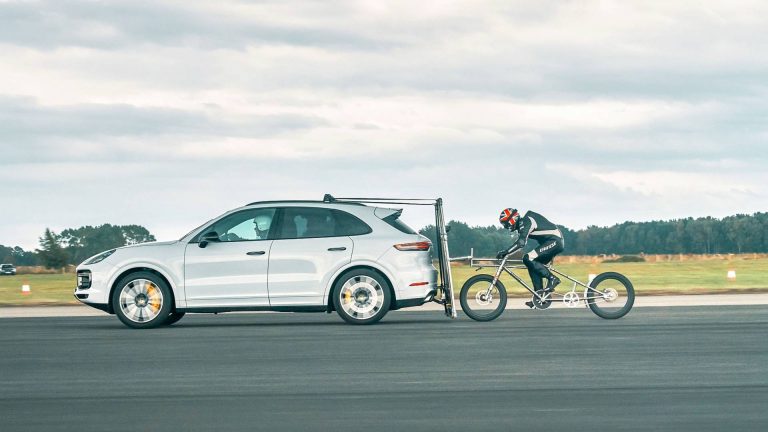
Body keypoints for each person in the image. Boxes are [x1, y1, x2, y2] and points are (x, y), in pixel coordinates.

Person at [496, 208, 565, 308]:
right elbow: (520, 241)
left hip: (555, 241)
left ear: (512, 219)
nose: (506, 227)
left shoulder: (527, 220)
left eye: (506, 224)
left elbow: (521, 243)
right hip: (552, 241)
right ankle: (539, 297)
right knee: (532, 264)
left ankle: (553, 279)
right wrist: (507, 251)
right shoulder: (523, 225)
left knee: (527, 258)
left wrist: (506, 252)